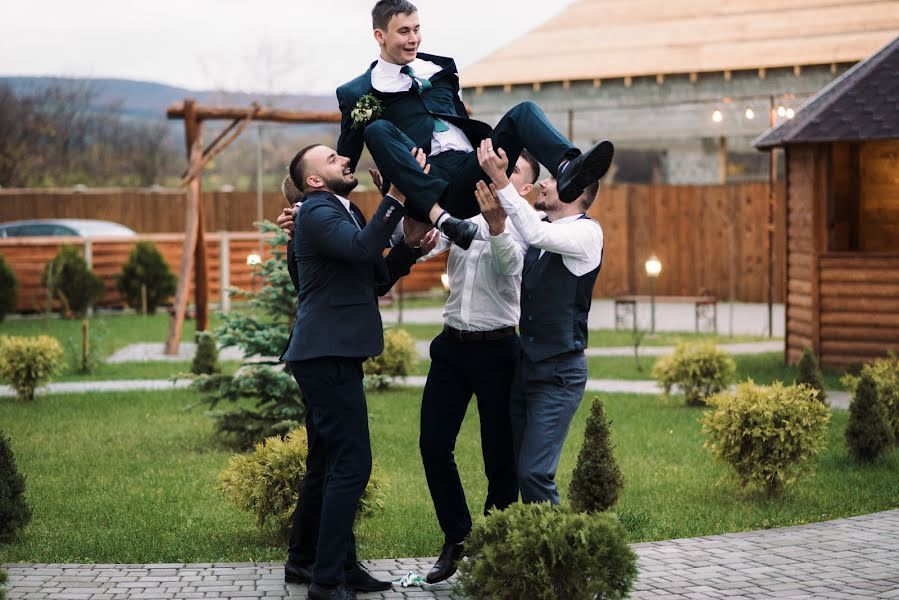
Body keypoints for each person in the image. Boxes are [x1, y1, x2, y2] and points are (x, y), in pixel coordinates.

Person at [280, 144, 434, 600]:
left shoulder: (343, 211)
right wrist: (400, 194)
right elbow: (363, 246)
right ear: (313, 181)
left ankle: (330, 565)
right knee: (352, 465)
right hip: (324, 354)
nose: (344, 160)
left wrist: (406, 247)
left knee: (331, 465)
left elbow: (374, 278)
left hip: (333, 353)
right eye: (332, 160)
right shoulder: (316, 211)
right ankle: (327, 582)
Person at [335, 0, 614, 250]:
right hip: (430, 180)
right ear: (380, 36)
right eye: (404, 32)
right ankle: (443, 220)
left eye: (417, 29)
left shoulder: (438, 69)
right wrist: (309, 201)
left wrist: (490, 159)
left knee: (524, 112)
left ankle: (566, 168)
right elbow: (344, 161)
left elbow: (458, 118)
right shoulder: (357, 92)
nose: (414, 39)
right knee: (376, 130)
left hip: (472, 167)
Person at [417, 151, 538, 584]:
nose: (493, 173)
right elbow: (421, 250)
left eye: (509, 171)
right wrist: (416, 213)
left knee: (499, 458)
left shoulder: (526, 227)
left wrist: (500, 226)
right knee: (433, 445)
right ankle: (458, 536)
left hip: (499, 351)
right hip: (451, 346)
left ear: (523, 189)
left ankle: (493, 546)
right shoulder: (462, 212)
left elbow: (512, 267)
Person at [477, 138, 604, 505]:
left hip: (559, 371)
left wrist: (502, 181)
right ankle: (529, 552)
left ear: (573, 192)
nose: (543, 184)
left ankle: (556, 556)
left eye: (551, 180)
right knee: (519, 468)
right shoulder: (542, 223)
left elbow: (534, 234)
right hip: (527, 367)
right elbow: (509, 251)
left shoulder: (586, 233)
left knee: (535, 472)